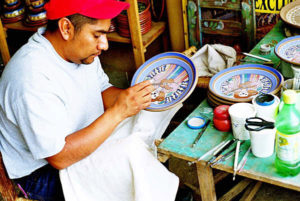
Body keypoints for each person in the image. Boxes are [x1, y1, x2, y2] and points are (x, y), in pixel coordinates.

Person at [0, 0, 180, 200]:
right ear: (66, 28)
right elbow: (59, 157)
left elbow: (101, 89)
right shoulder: (30, 77)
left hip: (81, 136)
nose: (104, 45)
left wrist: (135, 99)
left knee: (145, 122)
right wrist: (119, 111)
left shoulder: (78, 52)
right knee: (130, 155)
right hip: (43, 173)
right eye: (97, 34)